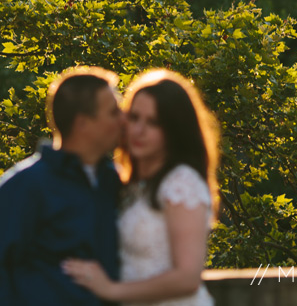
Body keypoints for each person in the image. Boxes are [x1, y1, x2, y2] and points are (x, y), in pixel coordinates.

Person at [62, 69, 220, 306]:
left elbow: (187, 277)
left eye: (153, 123)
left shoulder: (181, 182)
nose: (139, 131)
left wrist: (112, 290)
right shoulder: (130, 183)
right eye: (134, 118)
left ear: (173, 131)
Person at [0, 66, 124, 306]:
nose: (123, 119)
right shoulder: (22, 187)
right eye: (114, 112)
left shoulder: (118, 182)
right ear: (83, 123)